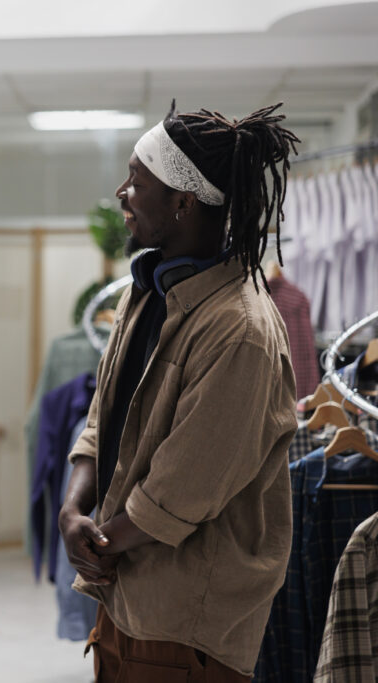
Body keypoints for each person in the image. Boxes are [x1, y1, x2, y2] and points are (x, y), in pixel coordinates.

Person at [58, 101, 300, 682]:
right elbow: (102, 415)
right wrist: (72, 511)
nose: (122, 193)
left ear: (183, 202)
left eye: (137, 181)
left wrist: (95, 543)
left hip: (184, 623)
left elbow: (180, 492)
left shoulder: (240, 330)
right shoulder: (147, 291)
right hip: (123, 592)